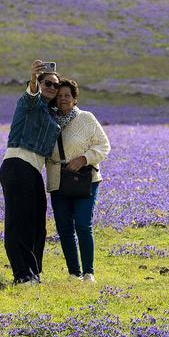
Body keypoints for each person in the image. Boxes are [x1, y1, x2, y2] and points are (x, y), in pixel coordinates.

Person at [0, 60, 61, 284]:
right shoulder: (29, 103)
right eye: (48, 83)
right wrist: (34, 78)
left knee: (37, 224)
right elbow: (31, 94)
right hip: (17, 164)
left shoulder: (50, 114)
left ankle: (33, 273)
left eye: (55, 85)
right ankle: (22, 274)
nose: (51, 88)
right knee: (18, 222)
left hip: (33, 170)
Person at [47, 79, 111, 282]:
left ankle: (88, 273)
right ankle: (74, 273)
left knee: (83, 224)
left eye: (67, 95)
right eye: (59, 96)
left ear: (75, 99)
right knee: (64, 228)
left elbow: (104, 146)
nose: (63, 99)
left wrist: (84, 159)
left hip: (85, 179)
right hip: (58, 180)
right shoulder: (49, 120)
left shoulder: (87, 118)